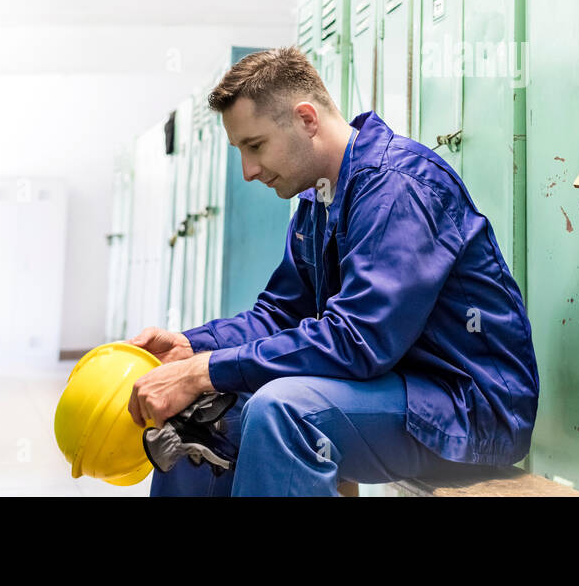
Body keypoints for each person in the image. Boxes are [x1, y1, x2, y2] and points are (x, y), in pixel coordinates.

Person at [127, 46, 538, 496]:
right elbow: (278, 315)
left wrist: (205, 370)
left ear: (307, 119)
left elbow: (358, 342)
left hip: (467, 408)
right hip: (392, 393)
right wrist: (193, 347)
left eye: (255, 145)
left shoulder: (396, 186)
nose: (248, 171)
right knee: (204, 415)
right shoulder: (316, 202)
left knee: (283, 412)